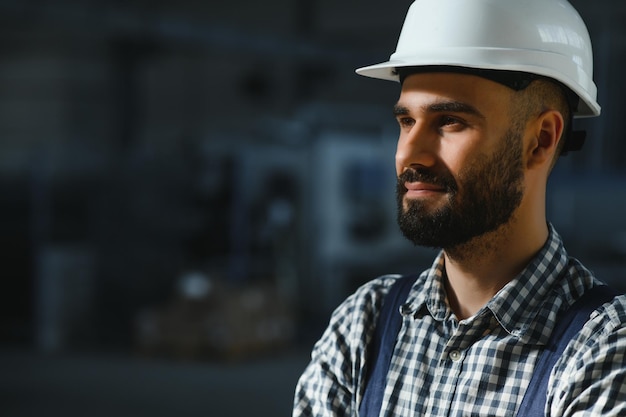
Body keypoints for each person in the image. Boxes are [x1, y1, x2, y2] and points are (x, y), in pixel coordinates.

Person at [293, 0, 626, 415]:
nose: (409, 155)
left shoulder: (605, 347)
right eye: (406, 122)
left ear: (540, 140)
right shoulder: (364, 326)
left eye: (449, 121)